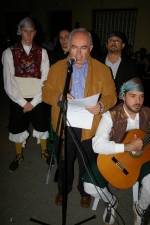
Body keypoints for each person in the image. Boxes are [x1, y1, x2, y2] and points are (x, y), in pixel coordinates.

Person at [42, 28, 117, 208]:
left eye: (83, 48)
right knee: (64, 161)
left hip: (89, 125)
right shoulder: (57, 68)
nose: (78, 53)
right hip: (64, 124)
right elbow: (45, 92)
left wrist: (101, 105)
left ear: (90, 48)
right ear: (68, 46)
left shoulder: (102, 70)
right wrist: (58, 97)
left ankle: (85, 191)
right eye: (74, 47)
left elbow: (112, 96)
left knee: (87, 161)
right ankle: (63, 189)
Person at [83, 78, 150, 224]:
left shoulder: (147, 113)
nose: (138, 101)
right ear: (123, 96)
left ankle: (140, 208)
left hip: (142, 158)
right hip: (113, 158)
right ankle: (111, 201)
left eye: (141, 96)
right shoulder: (110, 115)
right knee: (89, 186)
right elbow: (97, 145)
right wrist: (128, 147)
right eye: (133, 96)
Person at [2, 17, 52, 172]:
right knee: (17, 127)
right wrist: (23, 103)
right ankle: (18, 155)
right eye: (25, 31)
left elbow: (45, 79)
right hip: (18, 100)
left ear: (35, 33)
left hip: (38, 98)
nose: (28, 35)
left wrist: (35, 101)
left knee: (42, 125)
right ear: (20, 32)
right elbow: (8, 80)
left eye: (31, 31)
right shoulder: (9, 53)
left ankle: (44, 151)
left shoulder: (43, 52)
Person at [100, 31, 139, 98]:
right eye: (111, 40)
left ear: (122, 45)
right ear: (106, 45)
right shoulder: (97, 62)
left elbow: (133, 87)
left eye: (117, 41)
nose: (113, 43)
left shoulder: (130, 64)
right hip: (99, 103)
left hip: (121, 104)